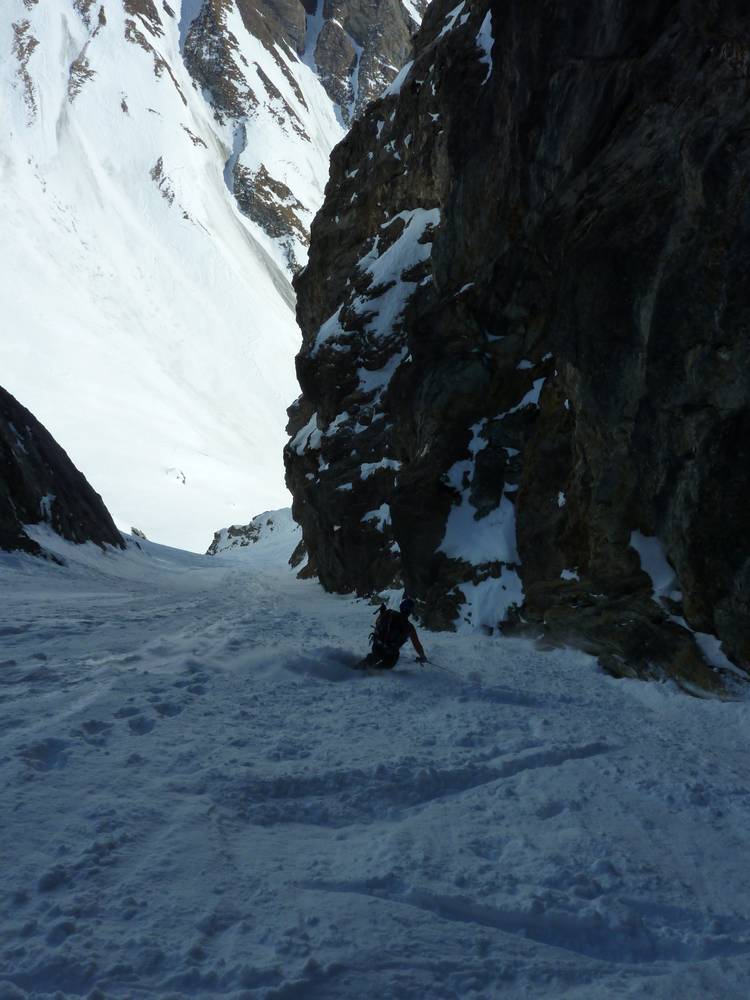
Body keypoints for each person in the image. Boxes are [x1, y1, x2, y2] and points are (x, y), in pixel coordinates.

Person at [362, 596, 427, 669]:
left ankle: (356, 669)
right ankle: (374, 673)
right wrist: (422, 656)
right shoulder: (409, 627)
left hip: (377, 645)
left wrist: (382, 613)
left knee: (373, 658)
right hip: (391, 653)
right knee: (385, 665)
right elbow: (416, 644)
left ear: (401, 607)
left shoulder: (389, 612)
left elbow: (377, 623)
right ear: (410, 612)